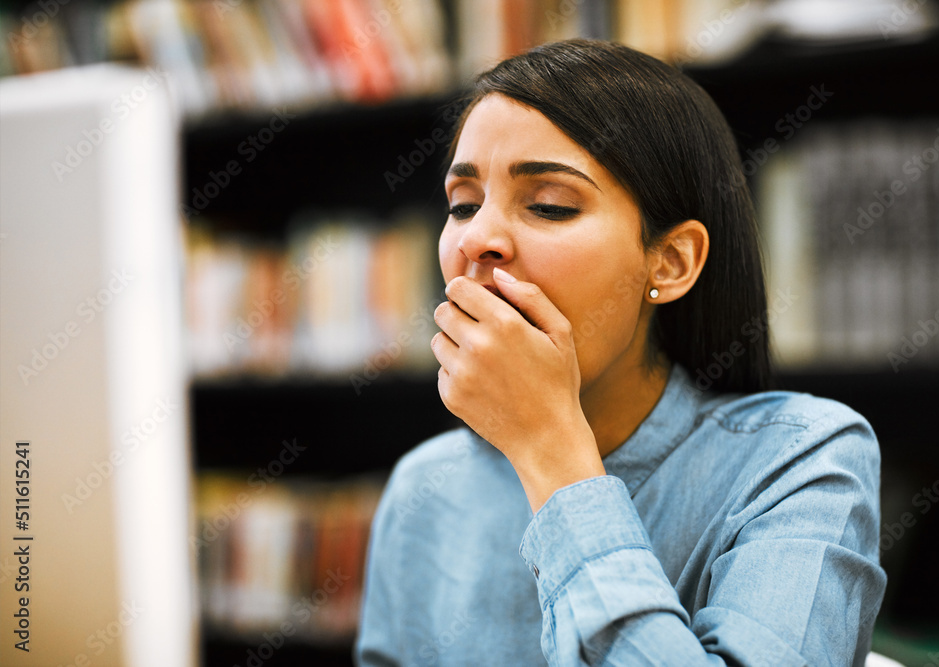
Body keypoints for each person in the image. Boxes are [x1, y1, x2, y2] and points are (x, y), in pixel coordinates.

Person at [354, 38, 886, 666]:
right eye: (463, 205)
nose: (479, 238)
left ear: (671, 260)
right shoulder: (424, 488)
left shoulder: (801, 458)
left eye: (549, 204)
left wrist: (550, 448)